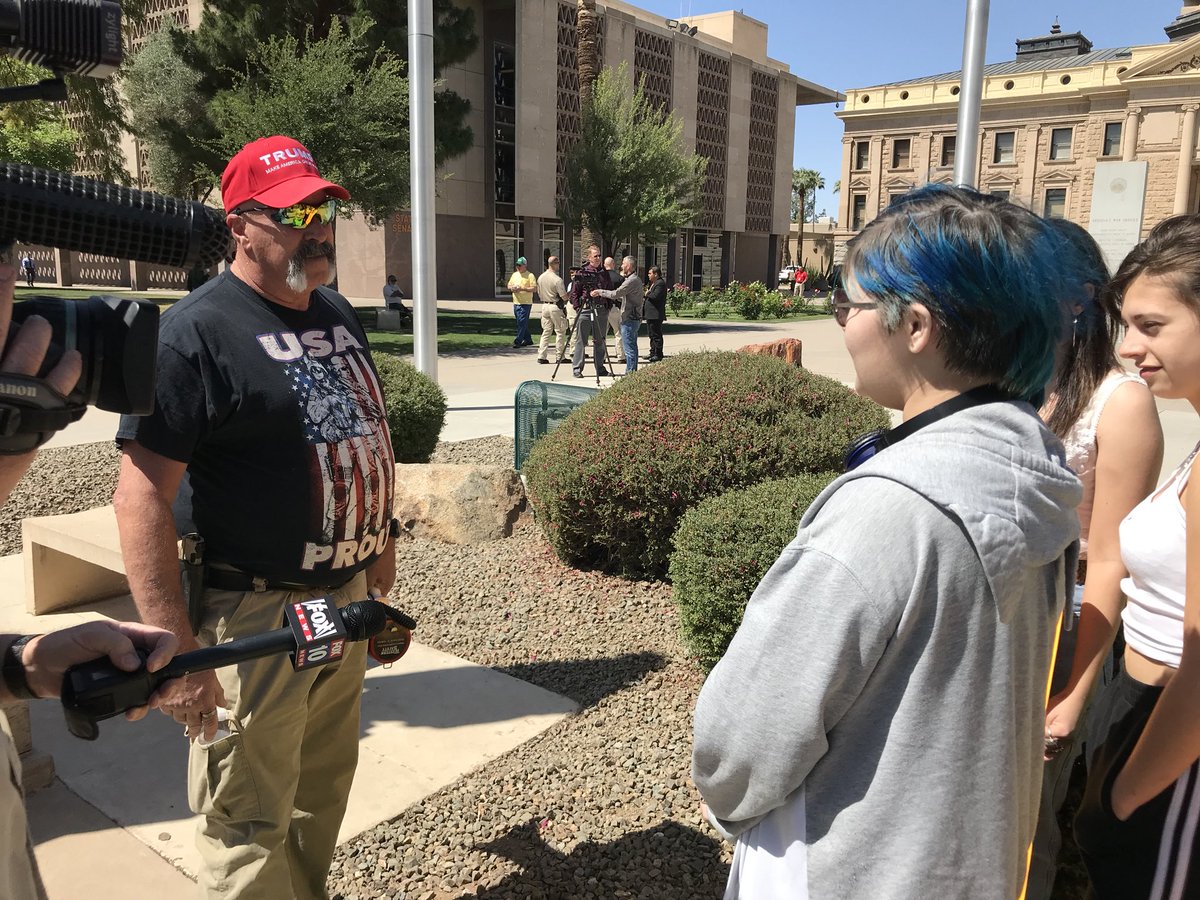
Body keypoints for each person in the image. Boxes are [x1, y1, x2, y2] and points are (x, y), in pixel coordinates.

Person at [693, 184, 1084, 899]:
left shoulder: (884, 512)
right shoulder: (1037, 478)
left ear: (916, 326)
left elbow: (743, 742)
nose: (842, 323)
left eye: (848, 304)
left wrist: (728, 798)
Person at [111, 134, 397, 900]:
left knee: (320, 794)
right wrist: (176, 655)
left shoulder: (336, 310)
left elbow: (362, 433)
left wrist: (379, 549)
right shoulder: (193, 335)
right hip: (255, 619)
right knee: (246, 822)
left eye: (324, 210)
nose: (318, 228)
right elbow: (139, 498)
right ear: (239, 226)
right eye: (294, 214)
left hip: (341, 603)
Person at [1026, 221, 1163, 900]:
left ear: (1078, 299)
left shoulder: (1122, 400)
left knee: (1026, 818)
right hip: (1005, 609)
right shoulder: (1015, 380)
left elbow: (1111, 560)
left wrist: (1074, 694)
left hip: (1070, 620)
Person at [1073, 214, 1200, 899]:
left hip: (1172, 750)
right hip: (1142, 714)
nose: (1127, 347)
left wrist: (1121, 800)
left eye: (1151, 326)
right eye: (1126, 325)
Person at [591, 256, 644, 374]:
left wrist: (600, 292)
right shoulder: (635, 279)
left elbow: (615, 294)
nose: (621, 266)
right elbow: (623, 297)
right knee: (632, 347)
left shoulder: (631, 281)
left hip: (630, 318)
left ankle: (630, 373)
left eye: (623, 264)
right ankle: (633, 372)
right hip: (633, 318)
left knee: (629, 348)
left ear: (628, 266)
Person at [570, 245, 610, 379]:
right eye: (595, 256)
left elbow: (609, 289)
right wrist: (578, 308)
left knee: (600, 340)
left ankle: (600, 367)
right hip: (585, 310)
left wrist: (607, 306)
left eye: (599, 255)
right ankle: (577, 368)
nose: (598, 258)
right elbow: (574, 293)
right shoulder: (582, 273)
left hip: (601, 310)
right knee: (581, 341)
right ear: (589, 257)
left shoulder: (604, 273)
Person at [535, 255, 569, 365]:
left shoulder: (541, 277)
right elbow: (564, 297)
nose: (559, 265)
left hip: (545, 305)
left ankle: (541, 356)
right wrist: (570, 294)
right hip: (555, 306)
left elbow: (539, 292)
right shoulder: (557, 279)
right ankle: (560, 356)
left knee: (546, 331)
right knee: (560, 331)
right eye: (557, 263)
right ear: (554, 264)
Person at [506, 256, 536, 348]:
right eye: (517, 265)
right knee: (520, 322)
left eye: (520, 265)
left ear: (525, 265)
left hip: (526, 303)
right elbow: (509, 285)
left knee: (522, 322)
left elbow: (534, 289)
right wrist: (512, 288)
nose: (518, 267)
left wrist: (522, 288)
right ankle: (528, 339)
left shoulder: (530, 275)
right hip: (516, 302)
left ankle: (518, 341)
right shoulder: (514, 275)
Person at [643, 265, 667, 362]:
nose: (648, 275)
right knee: (651, 335)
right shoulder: (653, 283)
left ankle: (658, 354)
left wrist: (647, 294)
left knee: (656, 335)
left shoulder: (660, 283)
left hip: (656, 314)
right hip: (650, 314)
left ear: (656, 274)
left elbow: (656, 296)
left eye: (650, 273)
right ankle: (652, 352)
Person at [603, 255, 622, 350]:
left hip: (603, 307)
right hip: (615, 306)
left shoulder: (600, 277)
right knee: (618, 332)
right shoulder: (619, 278)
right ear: (613, 264)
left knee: (602, 333)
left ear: (604, 265)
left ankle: (602, 355)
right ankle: (620, 354)